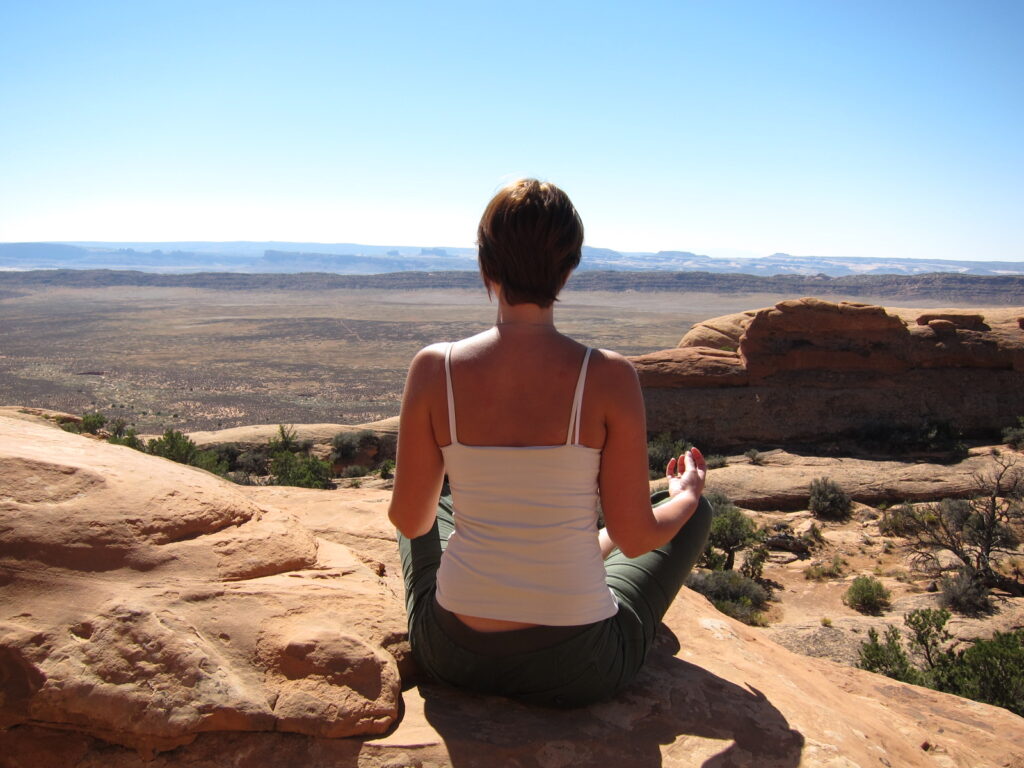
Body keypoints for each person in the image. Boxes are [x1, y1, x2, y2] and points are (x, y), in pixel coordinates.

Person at [388, 179, 712, 707]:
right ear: (569, 266)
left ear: (485, 265)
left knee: (433, 509)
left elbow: (409, 520)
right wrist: (688, 495)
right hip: (579, 664)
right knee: (690, 516)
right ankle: (610, 543)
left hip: (453, 653)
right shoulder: (608, 376)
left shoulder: (433, 368)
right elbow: (635, 536)